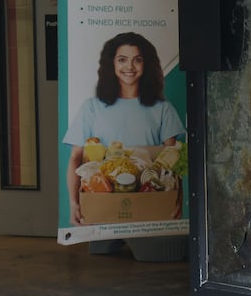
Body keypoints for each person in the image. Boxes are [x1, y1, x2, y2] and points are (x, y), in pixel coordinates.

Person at [64, 32, 186, 225]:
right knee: (103, 255)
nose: (129, 67)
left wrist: (177, 199)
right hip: (101, 206)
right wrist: (74, 203)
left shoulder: (163, 108)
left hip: (149, 207)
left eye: (137, 60)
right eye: (122, 60)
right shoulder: (91, 107)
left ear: (146, 64)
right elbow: (75, 159)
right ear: (111, 64)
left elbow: (172, 162)